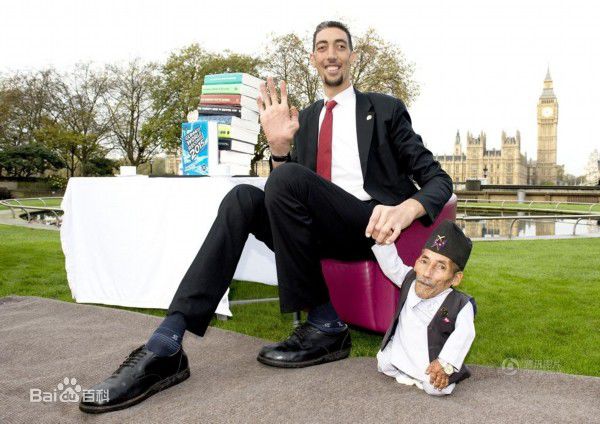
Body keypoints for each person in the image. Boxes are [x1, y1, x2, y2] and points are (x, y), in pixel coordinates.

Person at [79, 21, 453, 414]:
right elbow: (285, 197)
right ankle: (167, 343)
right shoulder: (304, 120)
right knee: (242, 198)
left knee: (287, 178)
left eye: (340, 46)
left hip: (370, 227)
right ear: (313, 58)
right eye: (322, 47)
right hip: (316, 230)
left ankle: (323, 322)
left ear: (352, 56)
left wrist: (406, 208)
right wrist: (278, 150)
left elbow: (438, 179)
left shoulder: (385, 109)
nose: (331, 54)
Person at [372, 220, 476, 396]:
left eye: (440, 267)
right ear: (417, 262)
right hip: (403, 351)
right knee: (384, 363)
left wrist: (444, 362)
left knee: (434, 388)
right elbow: (392, 265)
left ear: (455, 278)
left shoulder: (460, 305)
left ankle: (440, 374)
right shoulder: (410, 280)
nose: (427, 273)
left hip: (430, 359)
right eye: (425, 261)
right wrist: (383, 242)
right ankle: (405, 370)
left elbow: (464, 334)